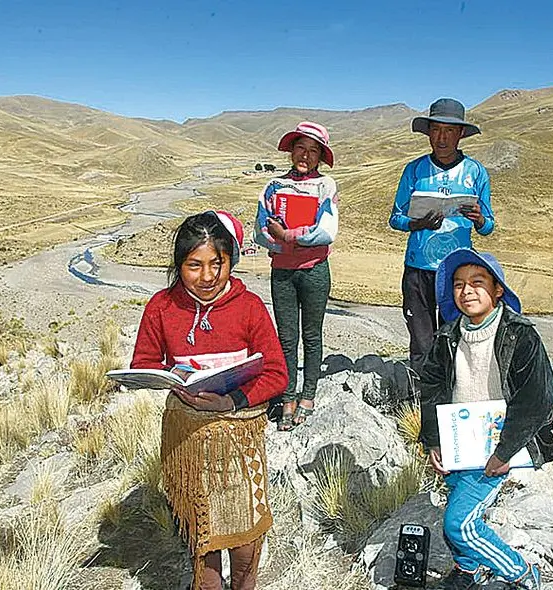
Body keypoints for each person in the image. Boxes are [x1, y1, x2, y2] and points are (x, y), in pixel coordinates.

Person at [131, 210, 288, 590]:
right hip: (188, 442)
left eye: (217, 264)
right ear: (178, 265)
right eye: (194, 265)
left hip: (238, 440)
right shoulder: (161, 307)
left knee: (246, 546)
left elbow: (276, 373)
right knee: (203, 545)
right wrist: (168, 378)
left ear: (230, 261)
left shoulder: (248, 307)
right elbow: (144, 361)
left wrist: (232, 399)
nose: (207, 277)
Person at [418, 248, 553, 590]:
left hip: (497, 446)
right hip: (458, 441)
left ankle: (522, 573)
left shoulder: (520, 335)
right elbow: (432, 388)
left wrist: (505, 452)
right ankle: (469, 568)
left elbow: (538, 397)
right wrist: (434, 440)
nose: (467, 291)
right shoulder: (448, 336)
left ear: (498, 290)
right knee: (460, 505)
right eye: (458, 284)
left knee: (459, 524)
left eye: (477, 283)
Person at [389, 98, 495, 372]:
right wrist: (417, 224)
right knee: (421, 341)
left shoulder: (475, 172)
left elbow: (488, 226)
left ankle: (455, 395)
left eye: (449, 131)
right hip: (418, 269)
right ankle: (423, 403)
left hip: (458, 270)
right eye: (436, 130)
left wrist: (480, 219)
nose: (442, 138)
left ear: (460, 134)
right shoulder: (414, 170)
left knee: (456, 337)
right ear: (428, 133)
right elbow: (395, 218)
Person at [254, 121, 339, 431]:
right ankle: (288, 395)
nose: (305, 155)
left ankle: (309, 395)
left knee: (312, 336)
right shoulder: (273, 187)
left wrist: (287, 236)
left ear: (320, 156)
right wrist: (284, 238)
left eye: (313, 151)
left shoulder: (326, 186)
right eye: (301, 148)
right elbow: (259, 232)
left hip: (315, 272)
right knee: (286, 338)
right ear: (291, 151)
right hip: (282, 274)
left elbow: (327, 232)